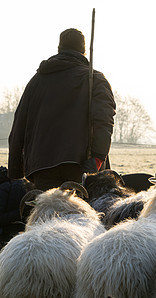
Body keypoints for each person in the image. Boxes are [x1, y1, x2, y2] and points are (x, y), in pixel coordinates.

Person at [8, 28, 116, 190]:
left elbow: (19, 126)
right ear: (84, 50)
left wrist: (15, 171)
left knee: (48, 214)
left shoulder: (36, 81)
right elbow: (104, 121)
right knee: (81, 214)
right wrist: (98, 158)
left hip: (41, 168)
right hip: (82, 167)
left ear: (59, 48)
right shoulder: (94, 79)